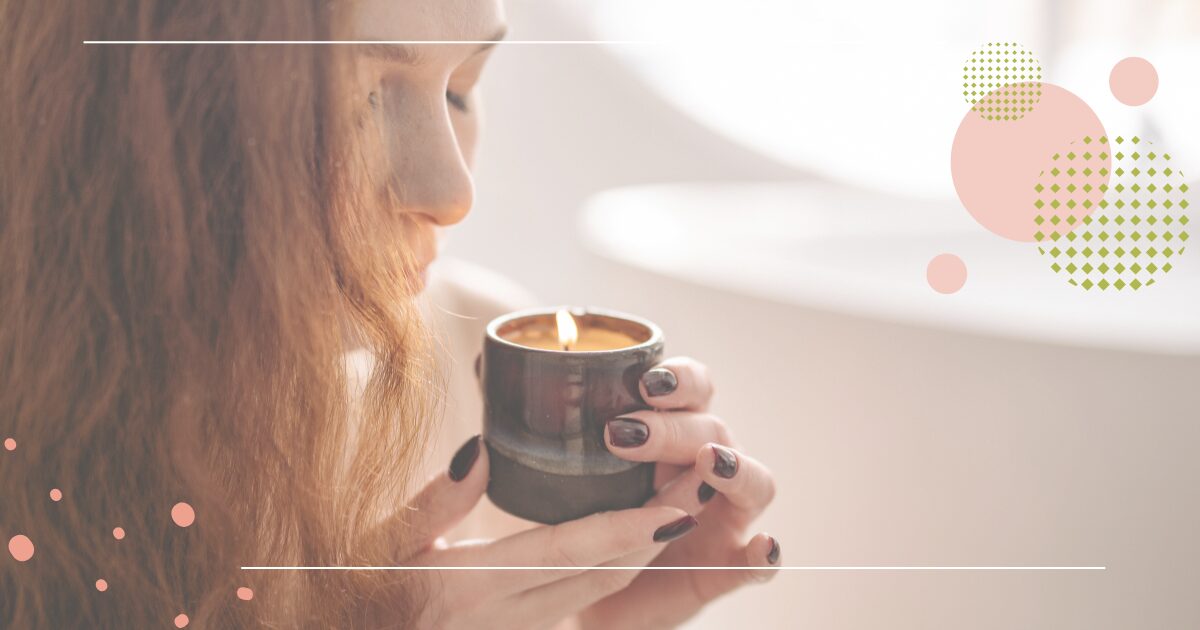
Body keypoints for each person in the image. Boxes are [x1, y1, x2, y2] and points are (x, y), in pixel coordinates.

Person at [0, 0, 778, 627]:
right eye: (357, 98)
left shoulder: (475, 359)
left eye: (461, 90)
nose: (453, 194)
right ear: (136, 120)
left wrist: (597, 620)